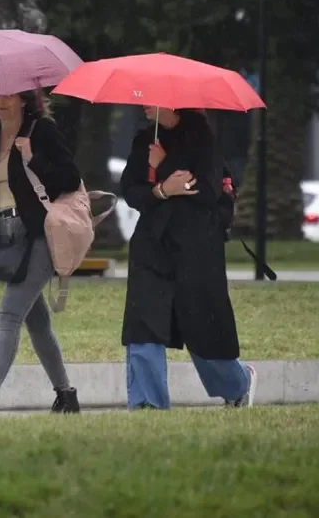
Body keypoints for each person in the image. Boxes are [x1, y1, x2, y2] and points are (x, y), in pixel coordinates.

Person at [0, 90, 83, 418]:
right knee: (37, 323)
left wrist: (33, 159)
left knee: (9, 314)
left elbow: (69, 178)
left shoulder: (41, 131)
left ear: (24, 99)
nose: (1, 101)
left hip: (40, 236)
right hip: (7, 241)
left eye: (9, 94)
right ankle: (66, 397)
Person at [118, 107, 256, 410]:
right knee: (144, 324)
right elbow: (130, 190)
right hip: (152, 244)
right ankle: (146, 405)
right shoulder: (145, 140)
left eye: (151, 96)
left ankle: (237, 384)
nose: (143, 103)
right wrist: (161, 191)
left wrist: (163, 165)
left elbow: (206, 192)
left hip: (196, 250)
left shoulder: (203, 142)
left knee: (200, 328)